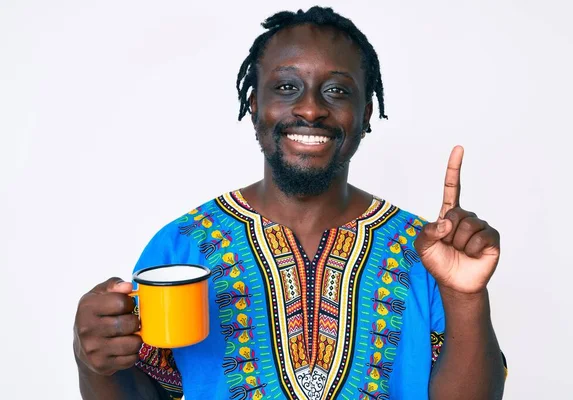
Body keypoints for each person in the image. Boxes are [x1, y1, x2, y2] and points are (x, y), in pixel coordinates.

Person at [73, 6, 507, 400]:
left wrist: (465, 296)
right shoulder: (181, 246)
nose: (311, 108)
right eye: (286, 86)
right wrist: (93, 363)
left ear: (367, 113)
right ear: (253, 103)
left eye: (337, 91)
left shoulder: (426, 253)